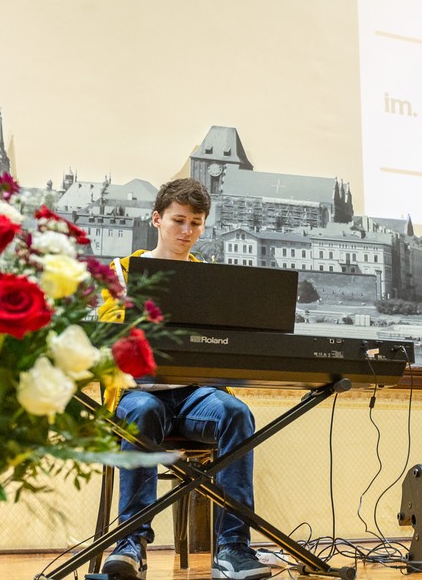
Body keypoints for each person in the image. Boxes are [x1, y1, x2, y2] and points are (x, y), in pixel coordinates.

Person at [97, 178, 270, 580]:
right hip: (138, 393)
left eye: (196, 222)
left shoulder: (209, 277)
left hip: (194, 396)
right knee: (141, 411)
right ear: (157, 219)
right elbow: (109, 338)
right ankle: (130, 544)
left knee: (235, 412)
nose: (187, 231)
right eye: (179, 220)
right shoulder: (121, 272)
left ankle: (232, 549)